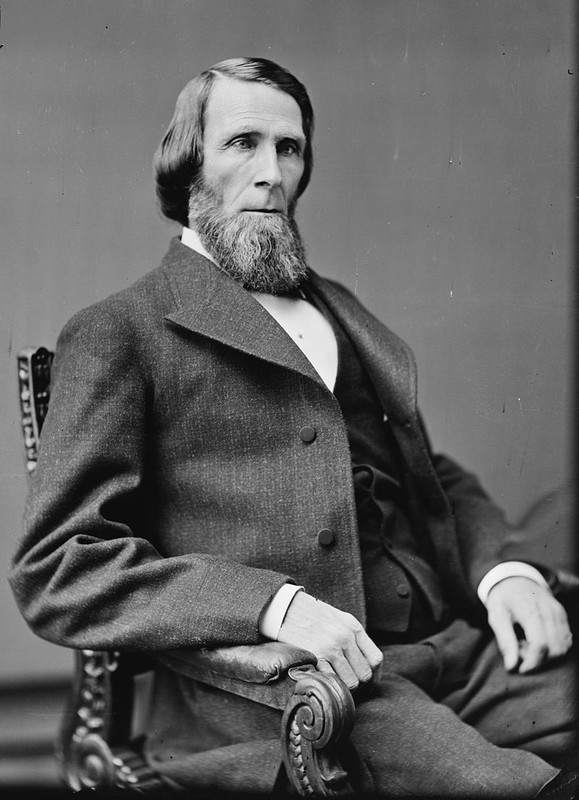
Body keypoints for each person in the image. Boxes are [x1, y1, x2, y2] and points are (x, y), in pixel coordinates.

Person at [10, 57, 577, 798]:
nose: (270, 172)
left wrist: (504, 573)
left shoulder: (338, 308)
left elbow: (424, 473)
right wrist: (272, 605)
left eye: (290, 148)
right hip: (288, 694)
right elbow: (59, 568)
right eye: (242, 143)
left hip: (451, 650)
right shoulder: (121, 332)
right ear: (189, 166)